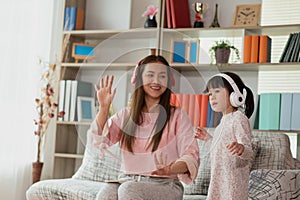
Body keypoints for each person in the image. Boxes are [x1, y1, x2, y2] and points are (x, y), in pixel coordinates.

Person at [90, 55, 200, 200]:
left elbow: (191, 156)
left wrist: (169, 169)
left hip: (165, 185)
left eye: (162, 76)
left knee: (129, 190)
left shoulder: (178, 116)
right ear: (139, 79)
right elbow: (99, 141)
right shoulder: (126, 115)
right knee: (107, 193)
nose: (156, 81)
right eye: (150, 75)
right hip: (128, 179)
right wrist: (104, 109)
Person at [194, 72, 254, 200]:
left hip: (232, 182)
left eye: (217, 91)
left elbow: (248, 152)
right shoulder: (223, 121)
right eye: (210, 94)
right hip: (218, 179)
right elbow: (221, 148)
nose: (212, 97)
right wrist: (208, 138)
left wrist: (241, 148)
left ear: (234, 95)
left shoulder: (238, 119)